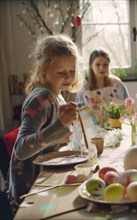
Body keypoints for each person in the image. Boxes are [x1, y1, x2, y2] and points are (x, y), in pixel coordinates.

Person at [5, 34, 83, 215]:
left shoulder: (55, 93)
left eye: (72, 70)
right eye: (61, 72)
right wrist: (59, 126)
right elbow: (22, 149)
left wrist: (60, 137)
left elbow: (45, 138)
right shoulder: (41, 99)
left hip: (43, 179)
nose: (68, 77)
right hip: (31, 187)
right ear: (43, 70)